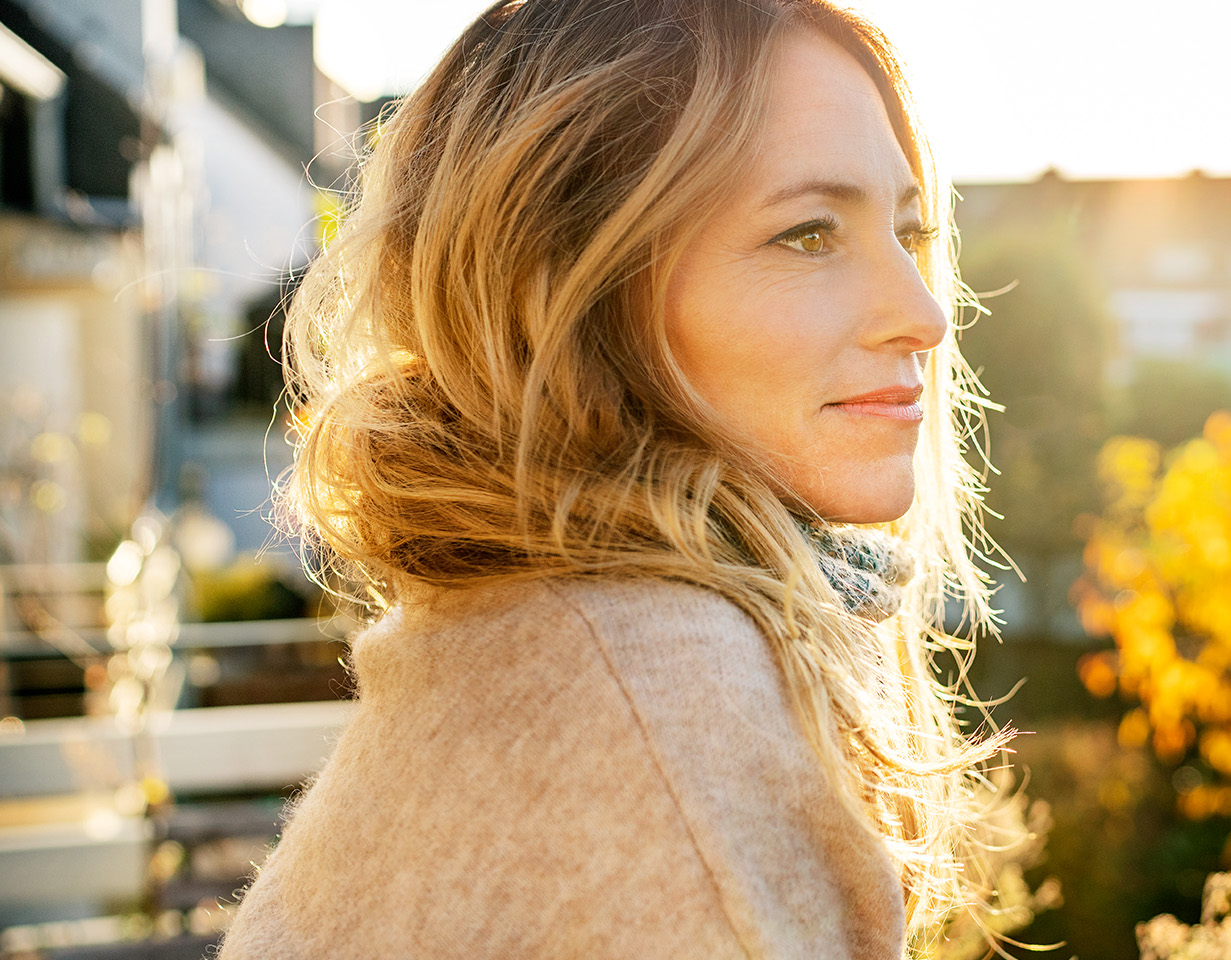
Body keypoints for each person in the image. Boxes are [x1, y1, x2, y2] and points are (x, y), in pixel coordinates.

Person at [215, 1, 1024, 956]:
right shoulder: (663, 690)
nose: (925, 313)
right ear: (570, 292)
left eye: (909, 232)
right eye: (808, 234)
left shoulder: (544, 628)